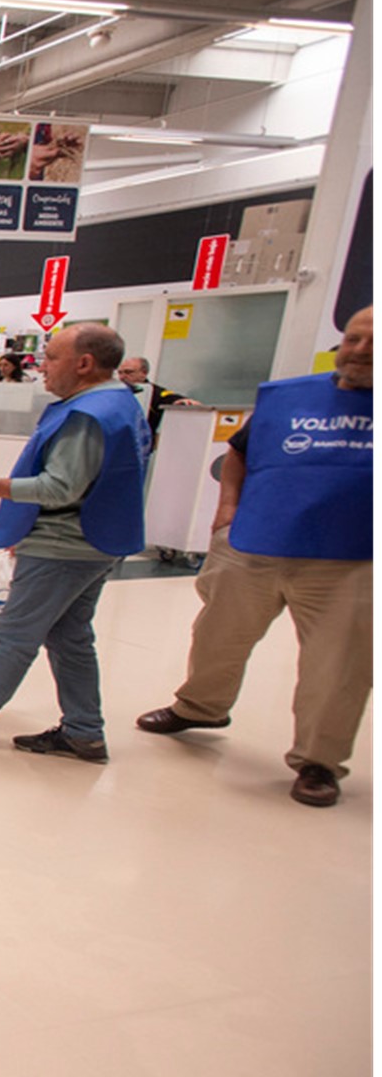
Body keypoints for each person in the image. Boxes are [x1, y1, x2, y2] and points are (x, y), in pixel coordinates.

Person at [135, 306, 373, 807]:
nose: (361, 351)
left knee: (338, 665)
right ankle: (201, 707)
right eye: (353, 339)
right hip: (255, 544)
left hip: (349, 558)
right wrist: (227, 509)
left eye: (372, 343)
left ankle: (319, 761)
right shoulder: (291, 398)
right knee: (218, 635)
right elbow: (239, 452)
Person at [0, 322, 151, 763]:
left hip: (64, 543)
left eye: (52, 357)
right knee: (70, 635)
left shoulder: (87, 415)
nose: (41, 367)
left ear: (84, 363)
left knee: (14, 633)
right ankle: (84, 730)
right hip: (96, 540)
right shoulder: (121, 404)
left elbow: (60, 487)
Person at [116, 355, 198, 434]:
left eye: (128, 372)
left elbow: (168, 397)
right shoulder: (114, 391)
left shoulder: (153, 392)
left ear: (144, 373)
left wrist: (182, 401)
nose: (122, 377)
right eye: (120, 373)